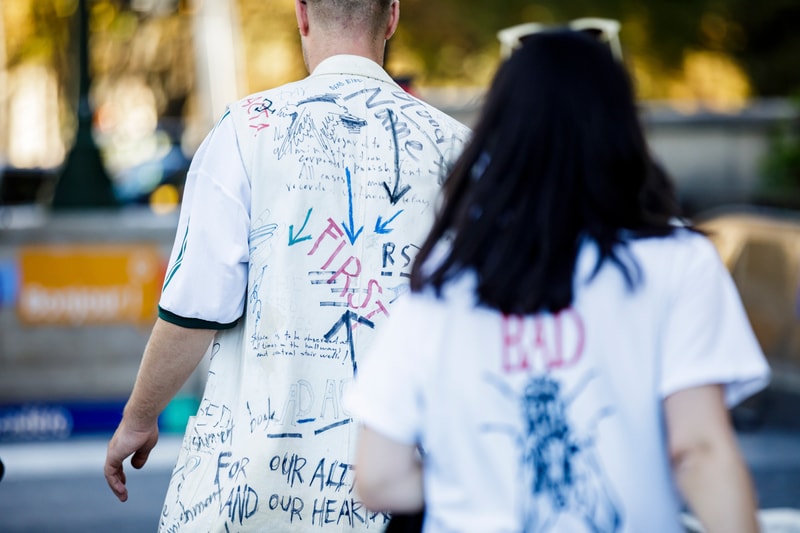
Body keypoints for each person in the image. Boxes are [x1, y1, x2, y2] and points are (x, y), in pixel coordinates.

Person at [348, 29, 770, 533]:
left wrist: (472, 485)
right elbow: (699, 451)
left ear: (499, 132)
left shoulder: (445, 277)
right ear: (623, 126)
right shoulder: (678, 261)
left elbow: (378, 478)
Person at [103, 0, 470, 530]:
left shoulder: (245, 131)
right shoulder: (457, 148)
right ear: (391, 17)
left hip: (253, 487)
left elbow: (194, 310)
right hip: (401, 488)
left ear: (301, 15)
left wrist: (138, 418)